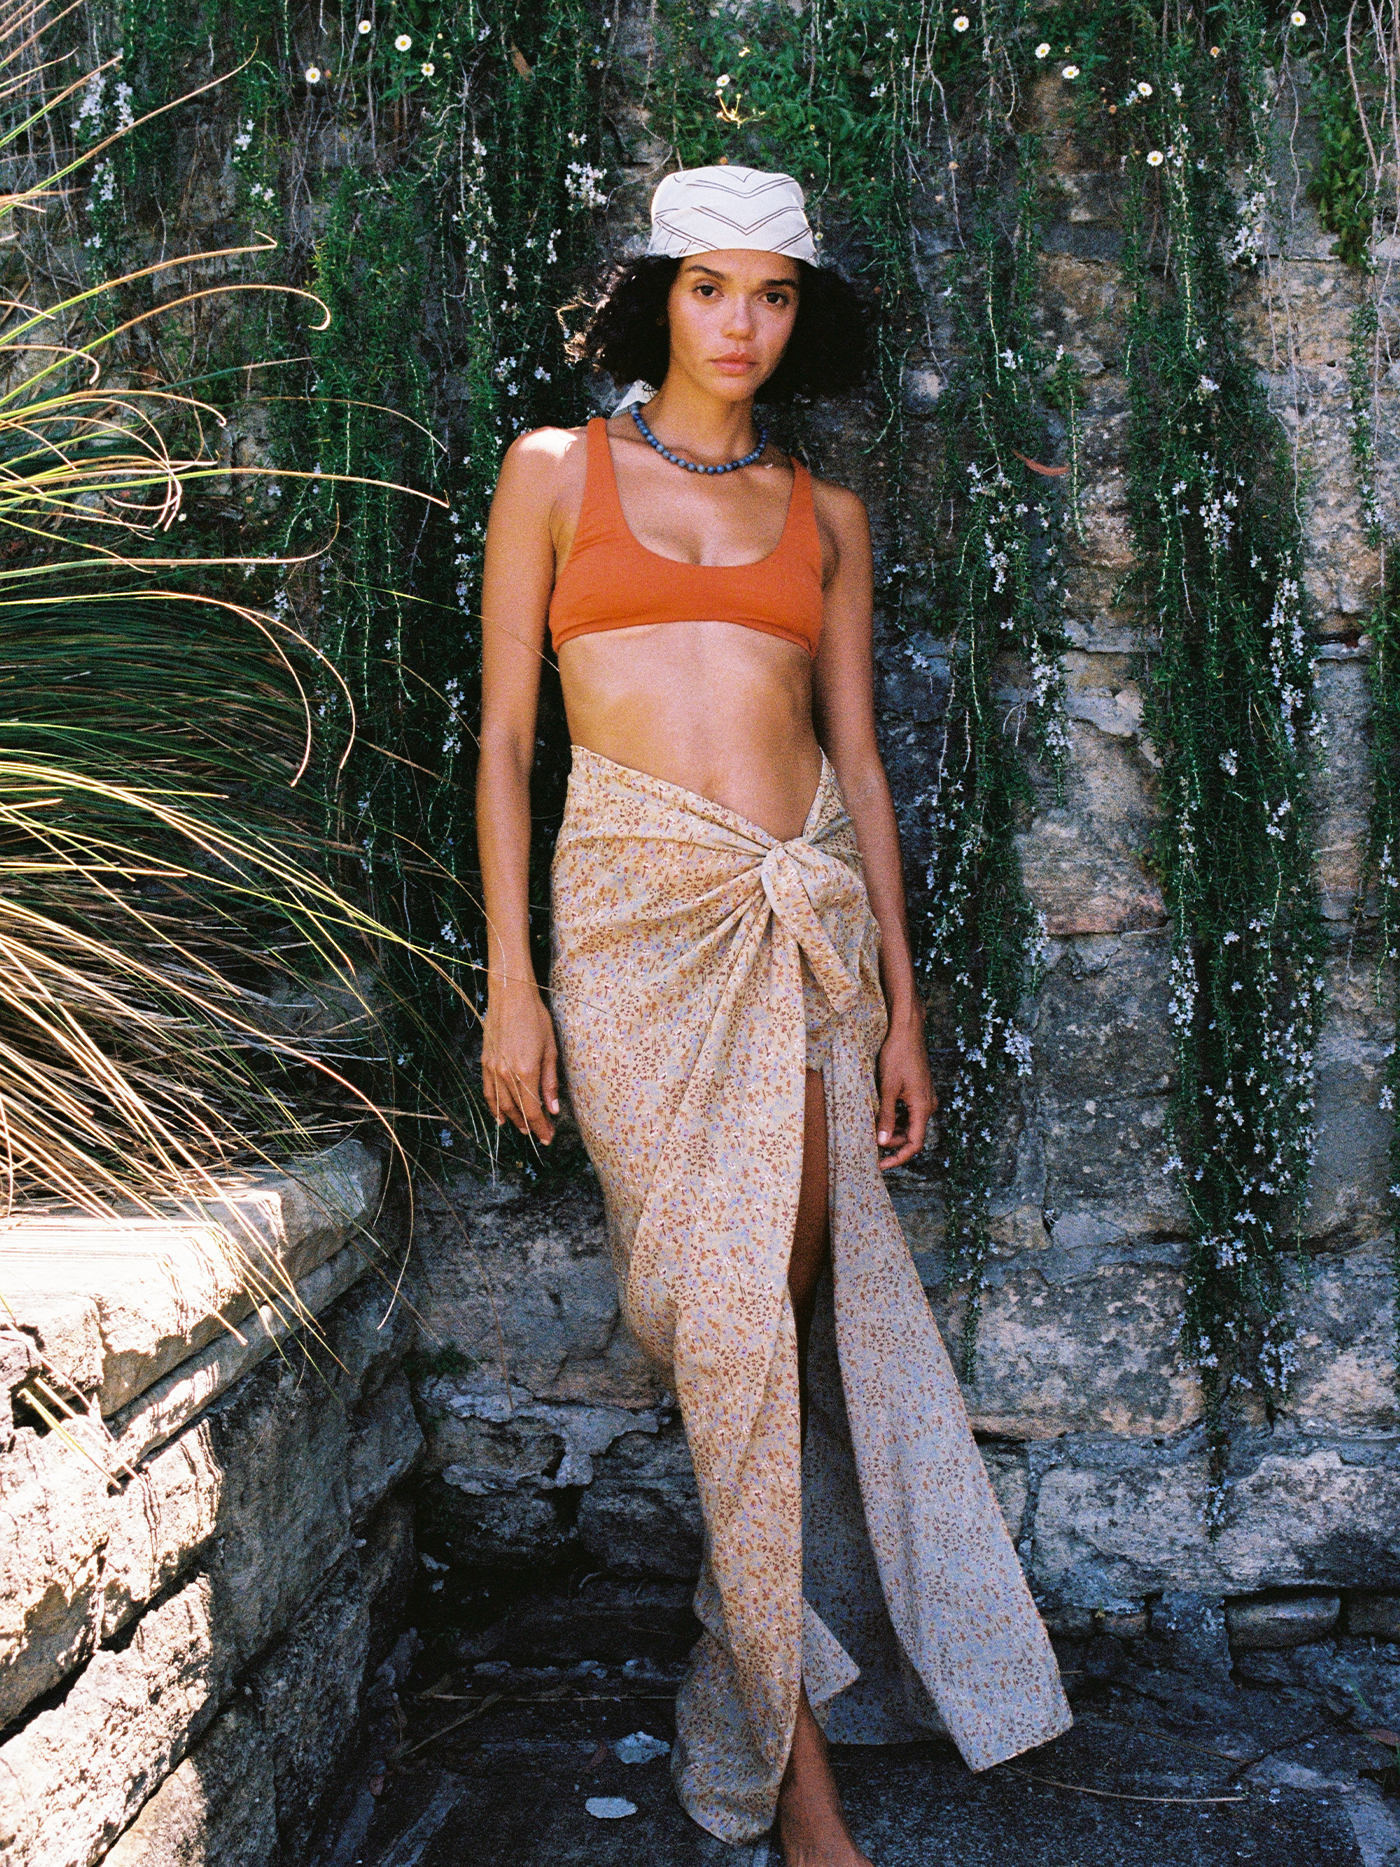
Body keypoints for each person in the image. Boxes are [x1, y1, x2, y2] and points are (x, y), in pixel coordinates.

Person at [475, 163, 1070, 1867]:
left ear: (803, 314)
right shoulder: (552, 473)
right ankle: (786, 1755)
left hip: (805, 930)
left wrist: (904, 1010)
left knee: (763, 1330)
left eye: (775, 294)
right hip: (630, 932)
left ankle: (777, 1743)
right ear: (659, 296)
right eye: (711, 287)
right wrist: (513, 983)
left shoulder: (826, 516)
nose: (741, 324)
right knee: (716, 1318)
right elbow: (506, 740)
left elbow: (862, 762)